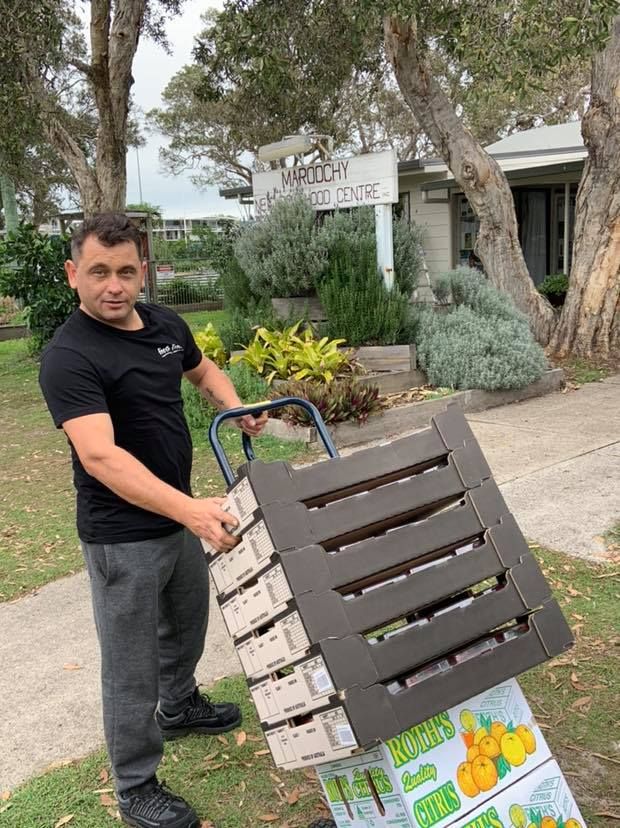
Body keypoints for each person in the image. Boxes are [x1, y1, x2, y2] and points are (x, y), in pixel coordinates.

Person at [39, 213, 268, 828]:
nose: (114, 286)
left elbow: (202, 370)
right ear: (73, 275)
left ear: (143, 270)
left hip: (176, 516)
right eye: (98, 273)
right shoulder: (68, 356)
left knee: (187, 624)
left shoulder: (166, 325)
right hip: (122, 536)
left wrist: (234, 404)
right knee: (130, 664)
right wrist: (192, 510)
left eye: (125, 271)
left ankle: (181, 705)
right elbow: (100, 456)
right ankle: (135, 786)